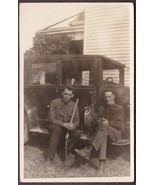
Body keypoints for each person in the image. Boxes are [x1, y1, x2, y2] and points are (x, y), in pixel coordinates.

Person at [74, 89, 124, 173]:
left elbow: (121, 125)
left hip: (116, 133)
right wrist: (92, 118)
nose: (108, 99)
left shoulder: (119, 108)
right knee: (103, 135)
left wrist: (109, 123)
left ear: (114, 96)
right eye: (106, 97)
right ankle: (101, 166)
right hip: (103, 133)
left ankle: (88, 149)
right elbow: (98, 121)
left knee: (104, 128)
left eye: (109, 97)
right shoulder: (103, 108)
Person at [47, 86, 81, 161]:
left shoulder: (74, 105)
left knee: (77, 134)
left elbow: (77, 121)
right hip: (54, 126)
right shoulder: (54, 102)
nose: (66, 96)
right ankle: (50, 157)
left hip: (67, 128)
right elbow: (52, 119)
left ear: (72, 96)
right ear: (62, 93)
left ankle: (64, 152)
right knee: (57, 129)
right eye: (65, 94)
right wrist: (65, 124)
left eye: (69, 95)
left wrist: (73, 126)